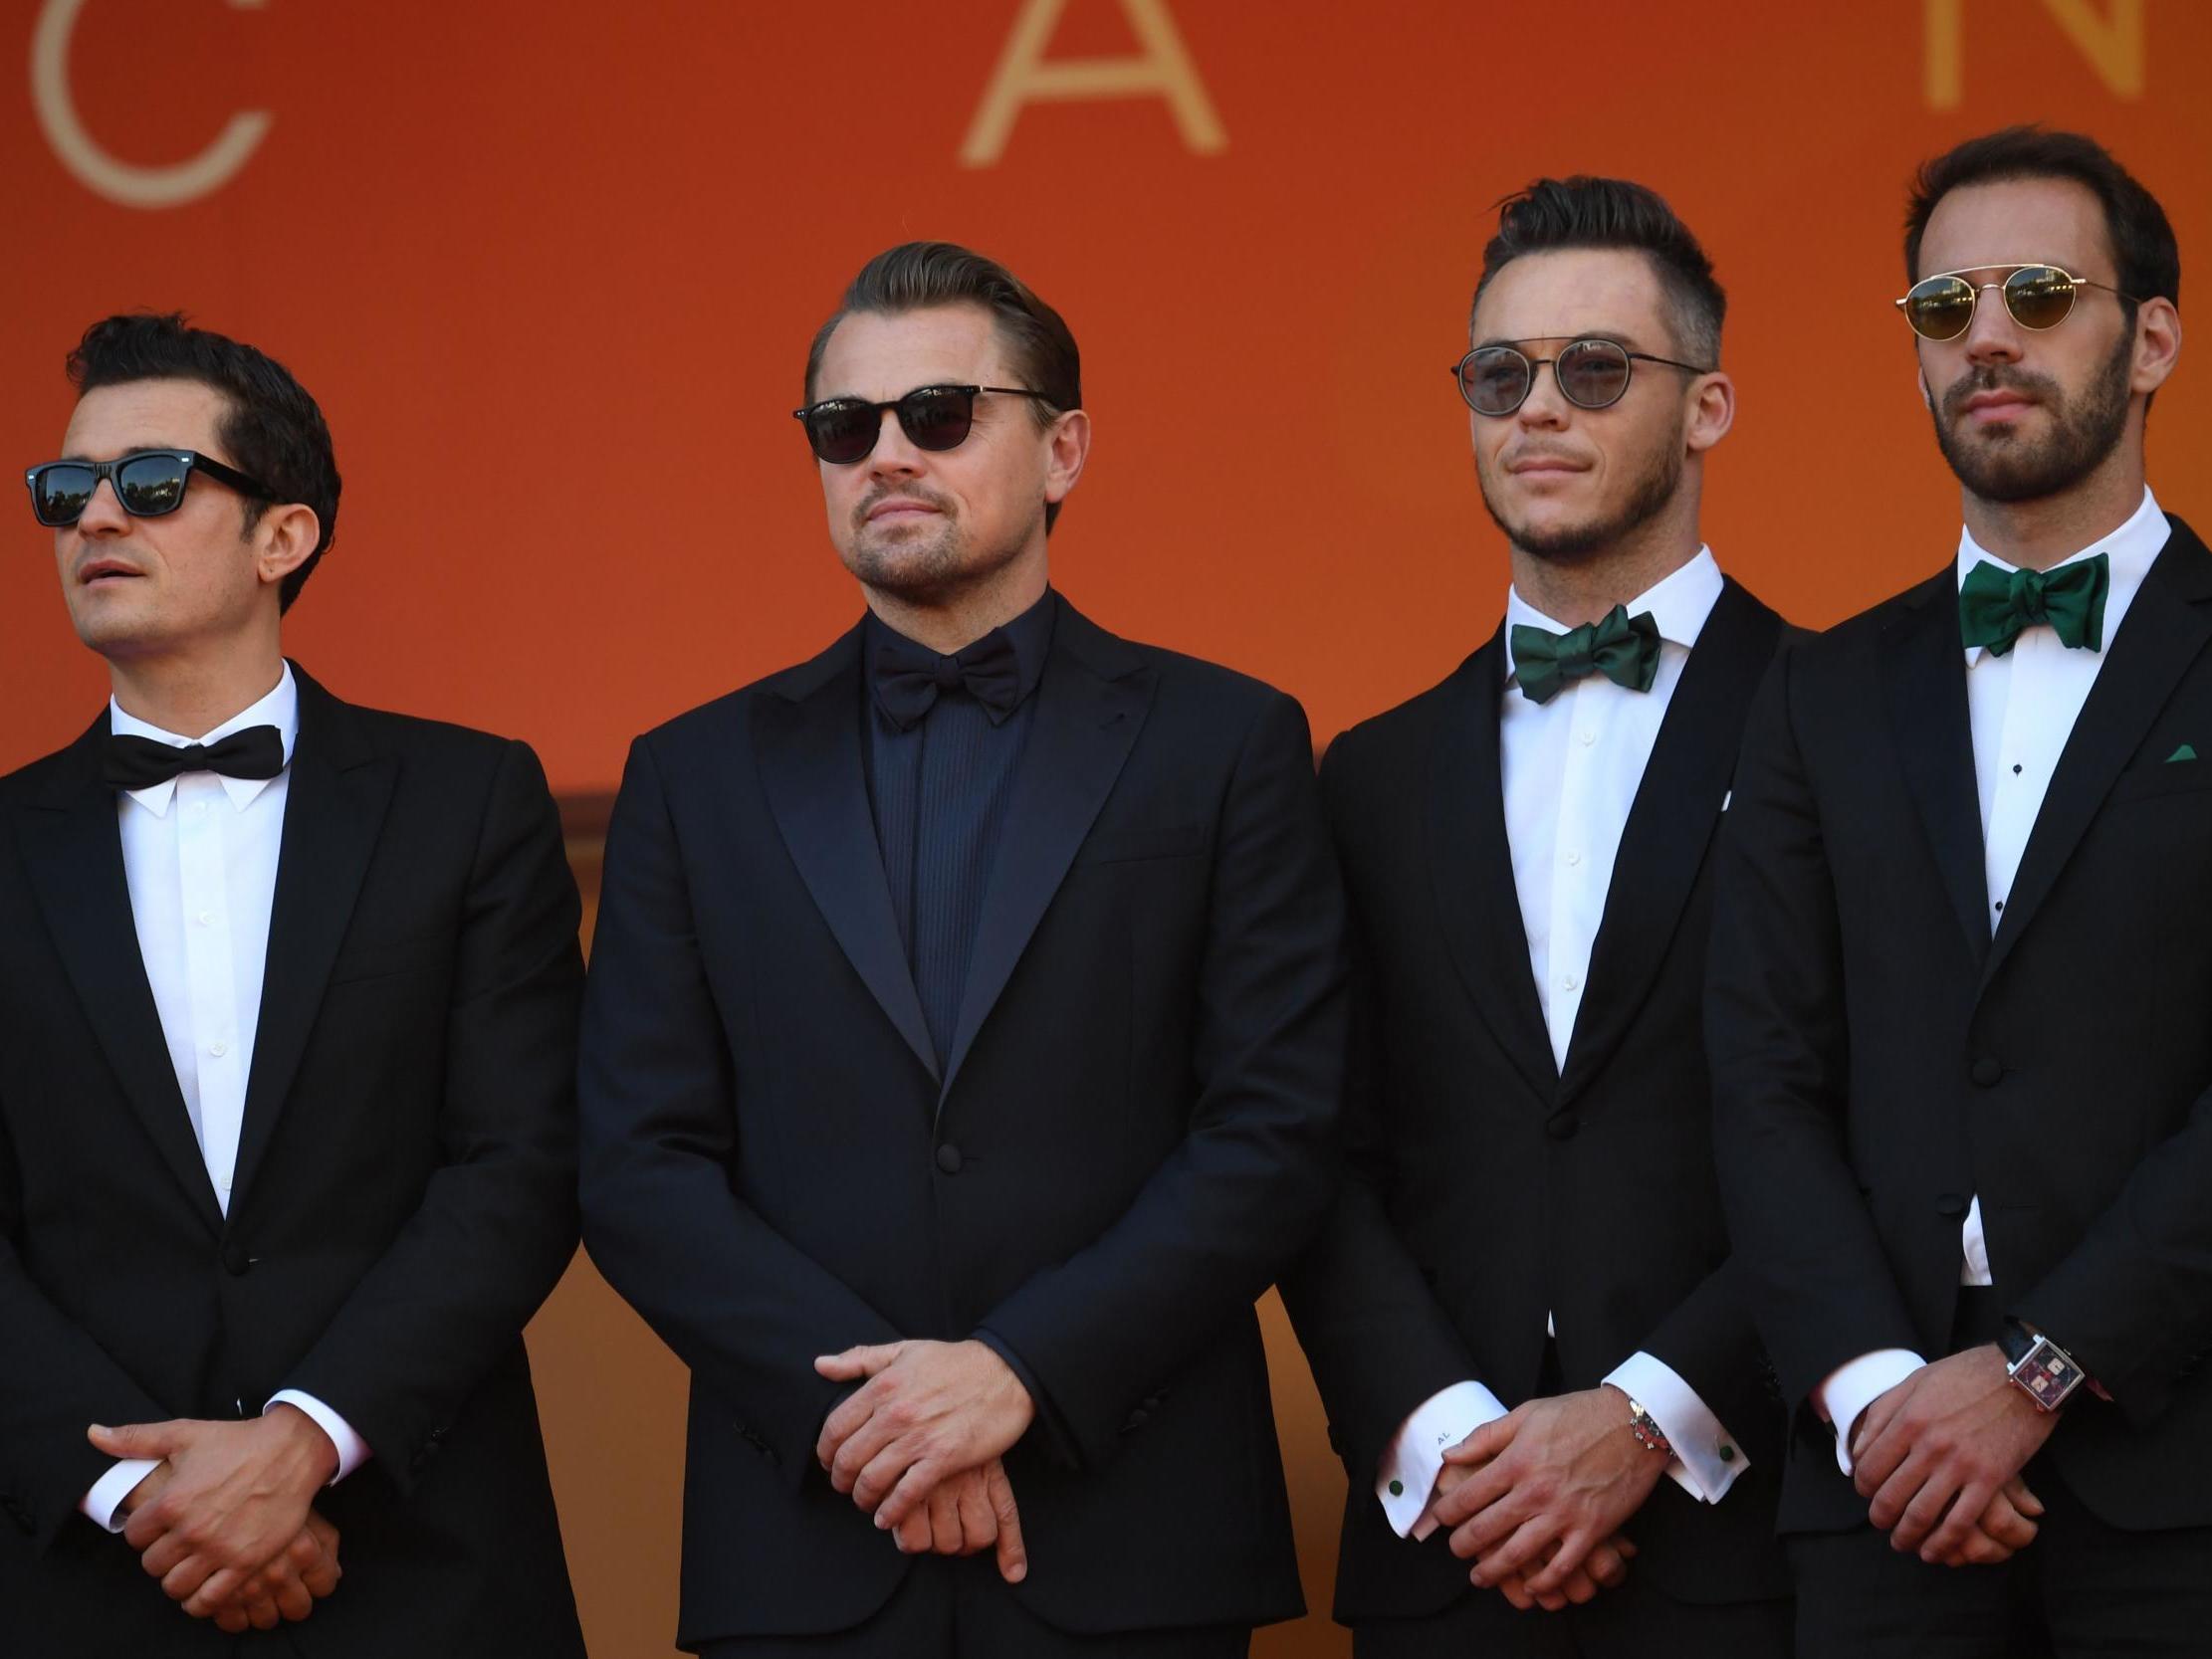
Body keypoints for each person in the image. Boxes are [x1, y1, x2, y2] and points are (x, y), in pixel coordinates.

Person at [576, 241, 1346, 1658]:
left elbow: (1275, 1125)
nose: (886, 455)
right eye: (843, 426)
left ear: (1062, 449)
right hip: (808, 1538)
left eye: (938, 415)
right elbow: (636, 1159)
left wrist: (1021, 1373)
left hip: (1132, 1530)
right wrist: (866, 1421)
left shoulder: (1225, 743)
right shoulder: (689, 775)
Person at [0, 313, 586, 1656]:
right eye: (61, 489)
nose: (95, 515)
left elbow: (521, 1161)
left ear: (285, 536)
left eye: (150, 483)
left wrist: (301, 1444)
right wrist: (144, 1494)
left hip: (422, 1558)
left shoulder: (465, 802)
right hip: (80, 1572)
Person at [1707, 125, 2207, 1657]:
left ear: (2150, 340)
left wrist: (2043, 1367)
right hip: (1880, 1484)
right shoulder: (1818, 688)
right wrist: (1874, 1398)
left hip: (2180, 1468)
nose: (1984, 335)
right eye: (1942, 309)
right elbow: (1761, 1067)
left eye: (2039, 293)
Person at [1284, 177, 1793, 1657]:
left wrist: (1650, 1420)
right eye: (1500, 375)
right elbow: (1311, 1149)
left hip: (1754, 1545)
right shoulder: (1365, 775)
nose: (1538, 411)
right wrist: (1448, 1443)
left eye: (1593, 370)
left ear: (1706, 408)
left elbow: (1881, 1130)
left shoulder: (1845, 721)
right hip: (1451, 1551)